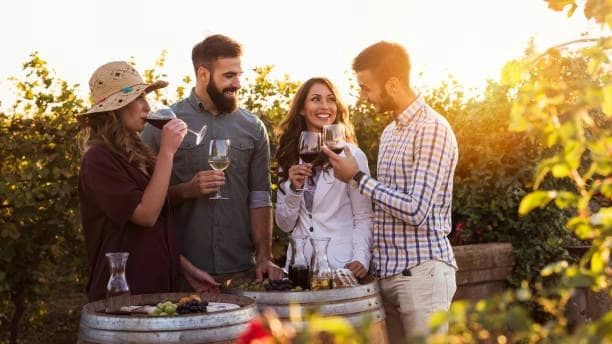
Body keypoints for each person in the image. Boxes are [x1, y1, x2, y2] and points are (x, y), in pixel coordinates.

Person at [321, 42, 459, 339]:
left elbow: (416, 210)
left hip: (422, 276)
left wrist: (356, 176)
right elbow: (383, 207)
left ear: (393, 84)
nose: (362, 96)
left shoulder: (432, 129)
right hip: (387, 276)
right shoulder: (390, 133)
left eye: (366, 87)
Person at [142, 35, 283, 286]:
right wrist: (187, 190)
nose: (237, 83)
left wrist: (263, 257)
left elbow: (260, 196)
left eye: (239, 75)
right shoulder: (163, 124)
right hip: (181, 271)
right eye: (229, 76)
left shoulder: (253, 127)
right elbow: (142, 203)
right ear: (203, 74)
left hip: (242, 271)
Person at [77, 61, 219, 302]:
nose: (147, 107)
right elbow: (146, 215)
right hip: (123, 295)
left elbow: (155, 230)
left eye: (146, 98)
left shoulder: (136, 154)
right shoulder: (98, 159)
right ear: (115, 109)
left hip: (156, 288)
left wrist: (186, 269)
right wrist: (167, 152)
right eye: (138, 99)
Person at [274, 77, 373, 279]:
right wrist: (294, 189)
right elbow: (284, 224)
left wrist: (362, 257)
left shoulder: (352, 155)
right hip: (299, 268)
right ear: (301, 108)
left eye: (331, 99)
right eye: (316, 99)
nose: (325, 106)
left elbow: (363, 216)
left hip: (341, 266)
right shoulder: (289, 156)